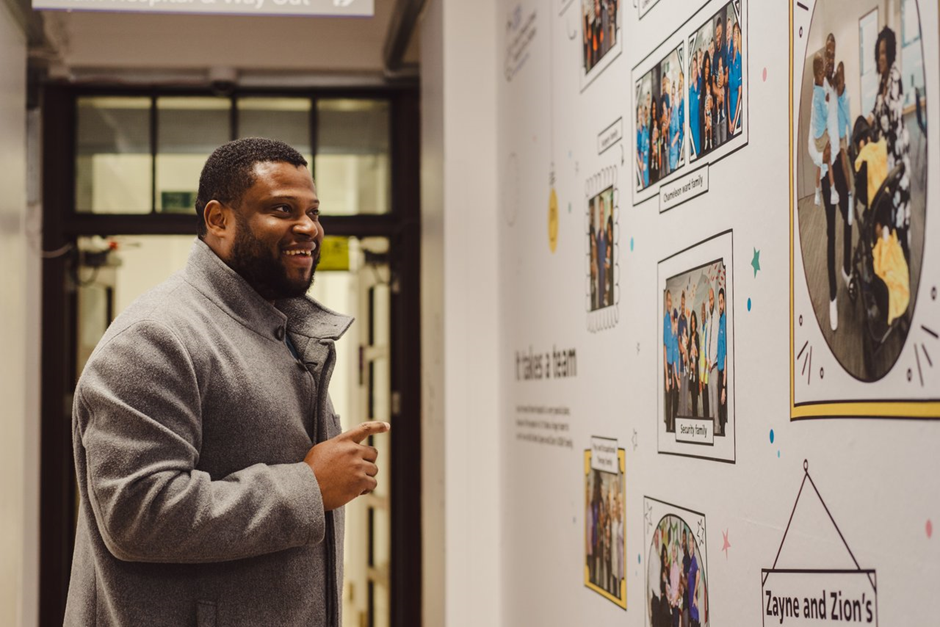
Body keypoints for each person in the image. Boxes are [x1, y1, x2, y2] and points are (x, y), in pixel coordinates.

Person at [64, 138, 389, 626]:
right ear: (218, 219)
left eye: (313, 212)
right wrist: (309, 486)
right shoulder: (156, 337)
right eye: (282, 209)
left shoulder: (281, 331)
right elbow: (137, 514)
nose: (308, 227)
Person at [809, 33, 852, 332]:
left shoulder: (836, 88)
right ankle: (833, 297)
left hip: (839, 162)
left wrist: (844, 90)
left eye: (833, 54)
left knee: (848, 219)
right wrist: (822, 159)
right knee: (831, 232)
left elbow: (845, 124)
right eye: (828, 53)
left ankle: (847, 270)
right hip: (826, 169)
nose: (831, 58)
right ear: (823, 57)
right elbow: (813, 141)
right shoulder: (818, 92)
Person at [870, 26, 912, 262]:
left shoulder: (894, 78)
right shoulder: (883, 80)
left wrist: (876, 147)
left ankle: (902, 269)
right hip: (886, 163)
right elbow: (876, 112)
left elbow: (893, 125)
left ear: (892, 52)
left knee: (899, 221)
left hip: (896, 164)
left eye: (884, 52)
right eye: (879, 53)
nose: (881, 57)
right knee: (890, 220)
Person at [810, 52, 839, 206]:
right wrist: (828, 101)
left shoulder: (815, 86)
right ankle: (833, 192)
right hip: (822, 136)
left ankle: (816, 193)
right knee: (828, 162)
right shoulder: (820, 93)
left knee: (820, 164)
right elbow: (825, 114)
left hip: (817, 136)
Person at [705, 287, 719, 427]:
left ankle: (717, 427)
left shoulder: (716, 318)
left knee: (715, 400)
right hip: (709, 364)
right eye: (709, 300)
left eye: (711, 299)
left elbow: (715, 342)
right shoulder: (709, 319)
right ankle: (710, 427)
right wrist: (707, 358)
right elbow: (707, 341)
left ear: (714, 300)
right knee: (709, 397)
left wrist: (712, 360)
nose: (710, 302)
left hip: (714, 365)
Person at [716, 287, 728, 436]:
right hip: (719, 371)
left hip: (724, 374)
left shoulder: (725, 321)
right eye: (719, 302)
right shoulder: (719, 320)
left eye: (721, 302)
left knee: (723, 412)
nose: (720, 305)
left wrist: (724, 386)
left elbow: (726, 355)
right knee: (720, 410)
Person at [729, 22, 743, 136]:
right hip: (730, 116)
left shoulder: (740, 59)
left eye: (736, 33)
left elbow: (740, 92)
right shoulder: (730, 61)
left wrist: (734, 120)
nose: (734, 35)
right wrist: (729, 120)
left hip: (737, 118)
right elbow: (728, 93)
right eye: (733, 32)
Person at [688, 309, 700, 418]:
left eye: (693, 321)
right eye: (691, 322)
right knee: (692, 399)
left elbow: (699, 355)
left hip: (696, 372)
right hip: (690, 374)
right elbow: (688, 355)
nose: (692, 324)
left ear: (695, 323)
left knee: (696, 399)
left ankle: (696, 418)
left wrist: (695, 352)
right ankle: (693, 418)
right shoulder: (689, 337)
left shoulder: (697, 336)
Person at [689, 55, 702, 158]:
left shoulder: (701, 86)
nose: (694, 71)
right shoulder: (689, 93)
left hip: (702, 135)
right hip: (693, 140)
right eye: (692, 69)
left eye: (695, 68)